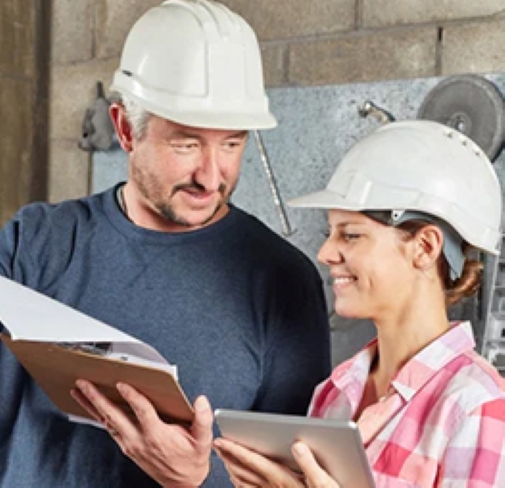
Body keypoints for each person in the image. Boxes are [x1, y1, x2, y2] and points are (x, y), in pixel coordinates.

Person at [0, 0, 331, 487]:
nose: (211, 177)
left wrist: (198, 479)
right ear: (126, 128)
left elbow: (294, 476)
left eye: (232, 143)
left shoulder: (283, 280)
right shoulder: (39, 241)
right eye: (186, 143)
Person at [214, 120, 505, 487]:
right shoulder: (335, 391)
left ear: (424, 248)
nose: (324, 253)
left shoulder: (476, 406)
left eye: (350, 235)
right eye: (330, 233)